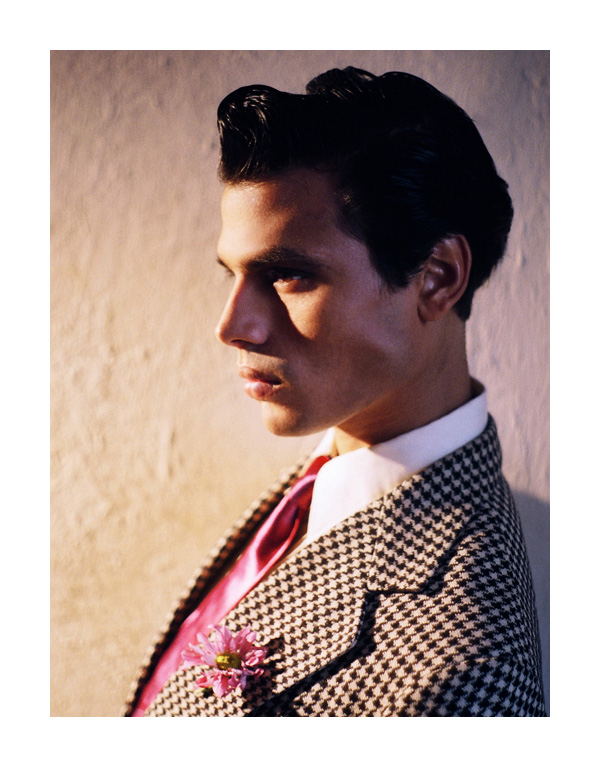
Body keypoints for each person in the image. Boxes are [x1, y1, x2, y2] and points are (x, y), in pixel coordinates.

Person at [123, 67, 546, 717]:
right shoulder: (333, 466)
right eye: (234, 274)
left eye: (288, 274)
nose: (233, 325)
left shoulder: (465, 672)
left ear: (437, 277)